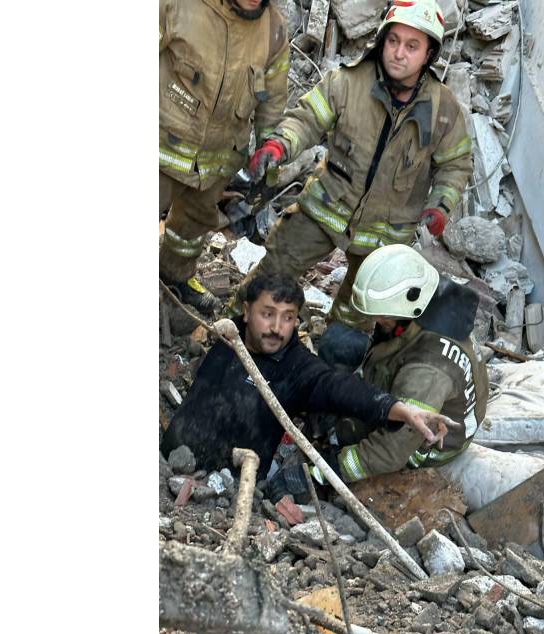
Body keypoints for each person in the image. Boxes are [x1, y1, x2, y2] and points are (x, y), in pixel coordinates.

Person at [224, 0, 473, 369]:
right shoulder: (348, 83)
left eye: (412, 46)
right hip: (326, 206)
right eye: (394, 41)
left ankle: (326, 377)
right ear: (382, 40)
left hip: (385, 236)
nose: (399, 54)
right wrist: (279, 145)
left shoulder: (444, 110)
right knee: (274, 270)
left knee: (357, 313)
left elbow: (455, 164)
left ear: (429, 54)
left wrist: (441, 205)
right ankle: (231, 336)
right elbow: (307, 119)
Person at [159, 271, 458, 520]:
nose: (277, 328)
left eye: (288, 318)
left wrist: (398, 409)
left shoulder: (297, 368)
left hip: (226, 488)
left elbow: (339, 388)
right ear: (246, 312)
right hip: (167, 459)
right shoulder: (230, 333)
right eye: (268, 314)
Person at [264, 245, 488, 522]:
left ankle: (332, 444)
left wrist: (319, 472)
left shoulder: (427, 371)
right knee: (338, 343)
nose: (375, 321)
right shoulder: (431, 300)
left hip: (420, 444)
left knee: (350, 435)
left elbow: (390, 451)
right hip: (406, 385)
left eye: (382, 316)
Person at [159, 0, 290, 311]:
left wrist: (268, 166)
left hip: (218, 161)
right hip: (162, 147)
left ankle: (174, 277)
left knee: (192, 227)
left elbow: (272, 105)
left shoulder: (273, 31)